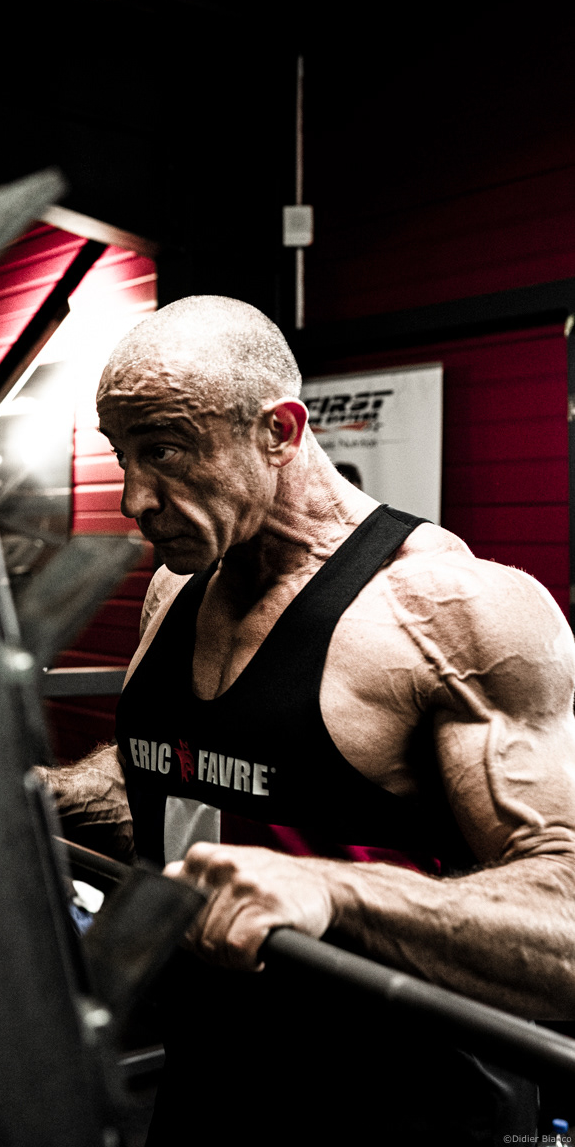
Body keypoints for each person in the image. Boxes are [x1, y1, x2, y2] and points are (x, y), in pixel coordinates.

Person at [41, 295, 575, 1146]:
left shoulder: (444, 611)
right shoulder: (176, 588)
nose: (134, 498)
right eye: (123, 455)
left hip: (404, 1104)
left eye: (164, 450)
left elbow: (567, 922)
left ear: (279, 432)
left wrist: (329, 890)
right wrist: (40, 798)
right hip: (209, 1072)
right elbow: (189, 770)